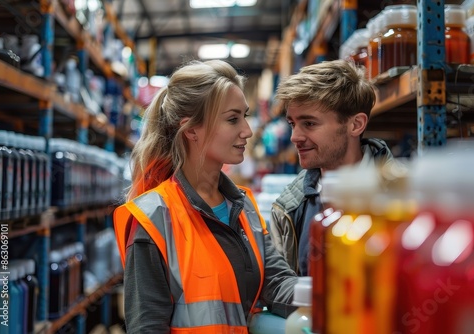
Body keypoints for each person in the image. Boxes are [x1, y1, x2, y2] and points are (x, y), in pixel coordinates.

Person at [113, 59, 298, 333]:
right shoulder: (153, 218)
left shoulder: (243, 206)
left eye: (244, 116)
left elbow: (278, 283)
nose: (246, 131)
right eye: (232, 119)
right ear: (191, 131)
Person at [269, 59, 394, 276]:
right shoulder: (288, 208)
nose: (295, 137)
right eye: (292, 124)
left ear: (355, 125)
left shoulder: (404, 197)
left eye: (309, 123)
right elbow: (282, 289)